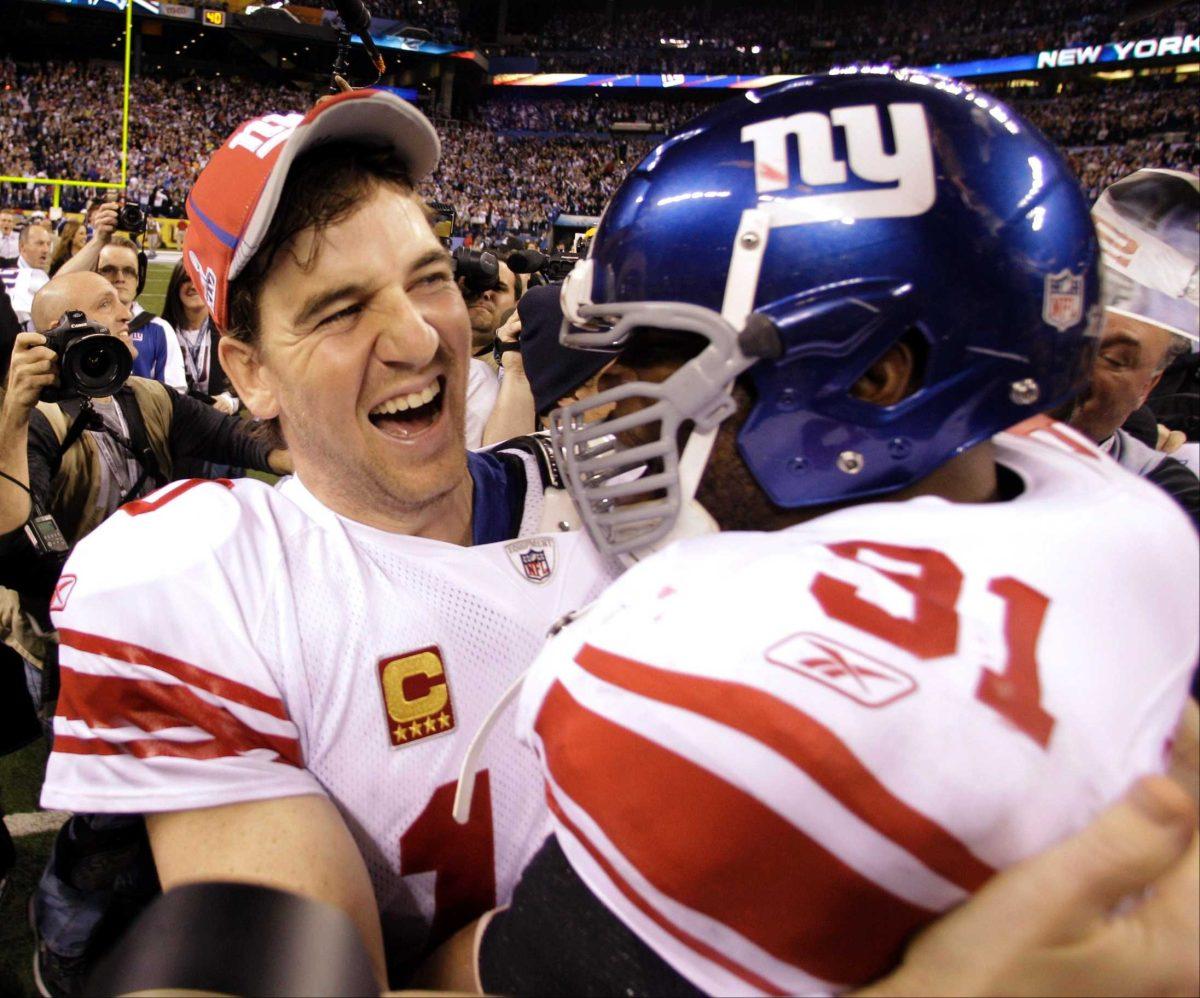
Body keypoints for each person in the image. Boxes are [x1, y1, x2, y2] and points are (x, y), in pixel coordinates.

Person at [433, 71, 1200, 996]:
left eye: (670, 365)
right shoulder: (1113, 518)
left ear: (873, 378)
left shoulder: (755, 709)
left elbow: (481, 977)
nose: (615, 413)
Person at [35, 89, 617, 990]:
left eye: (429, 278)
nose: (418, 335)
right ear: (252, 371)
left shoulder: (621, 502)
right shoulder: (201, 574)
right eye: (341, 310)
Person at [1068, 168, 1199, 526]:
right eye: (1066, 333)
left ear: (1148, 387)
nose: (1072, 364)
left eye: (1112, 359)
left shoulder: (1166, 503)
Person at [97, 237, 187, 392]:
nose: (119, 278)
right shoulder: (81, 324)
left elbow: (174, 397)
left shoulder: (159, 329)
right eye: (109, 270)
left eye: (129, 271)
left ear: (139, 280)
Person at [159, 261, 237, 414]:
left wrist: (229, 401)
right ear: (176, 286)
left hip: (220, 425)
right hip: (176, 426)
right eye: (186, 279)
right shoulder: (160, 331)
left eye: (200, 279)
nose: (194, 285)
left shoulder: (229, 330)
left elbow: (247, 379)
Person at [1, 221, 52, 328]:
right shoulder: (4, 271)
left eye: (48, 244)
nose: (46, 250)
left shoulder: (49, 276)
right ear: (22, 247)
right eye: (40, 243)